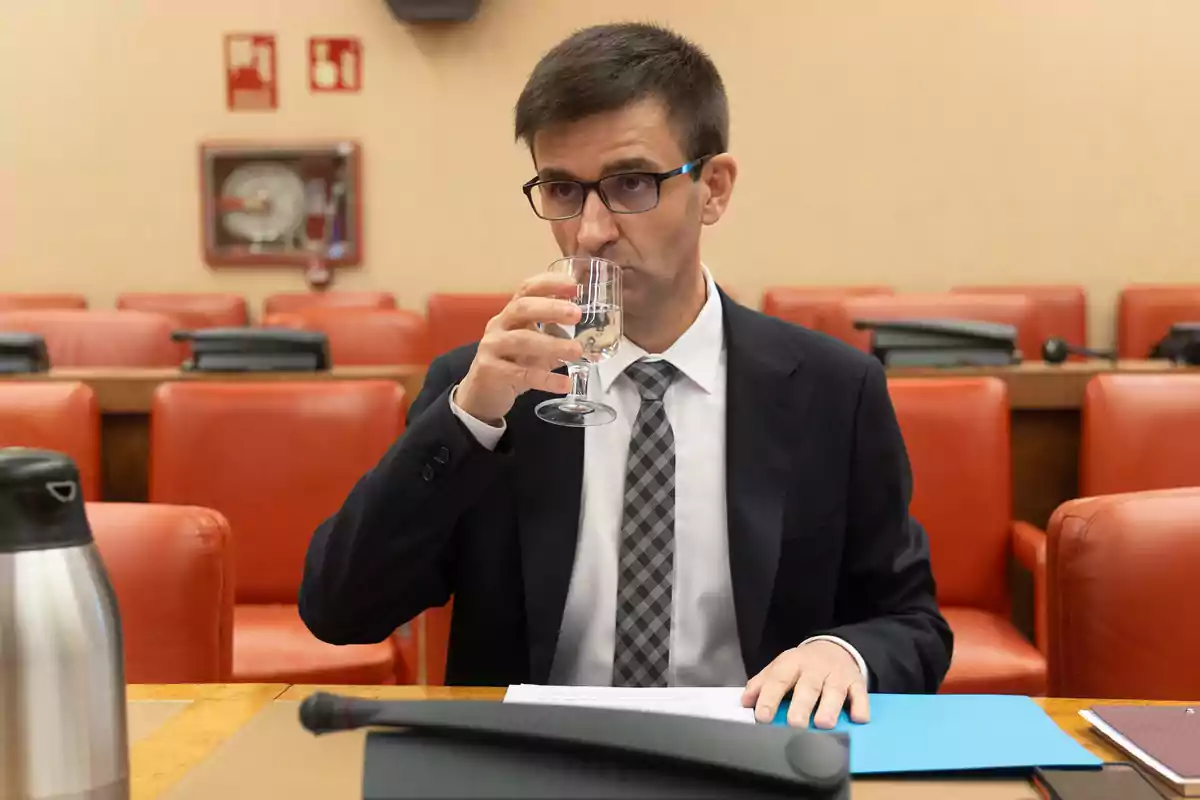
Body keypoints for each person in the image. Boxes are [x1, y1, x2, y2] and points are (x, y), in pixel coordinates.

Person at [299, 21, 952, 729]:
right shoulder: (489, 390)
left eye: (631, 183)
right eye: (562, 190)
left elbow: (911, 624)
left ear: (714, 189)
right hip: (535, 765)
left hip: (753, 760)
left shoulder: (834, 389)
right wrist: (468, 421)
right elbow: (340, 611)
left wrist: (842, 653)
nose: (591, 232)